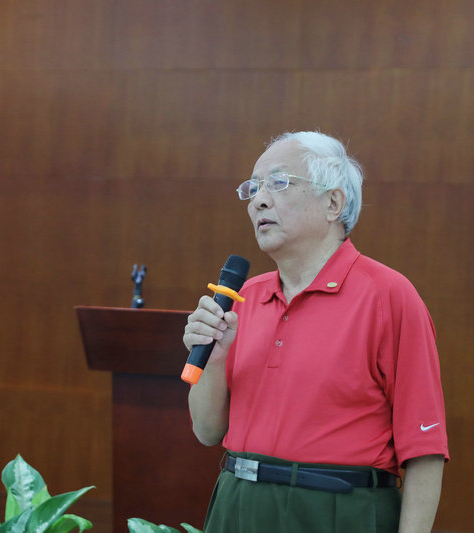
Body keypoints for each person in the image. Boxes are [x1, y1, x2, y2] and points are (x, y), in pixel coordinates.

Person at [184, 131, 448, 533]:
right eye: (253, 187)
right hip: (238, 502)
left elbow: (424, 448)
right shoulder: (243, 298)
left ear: (333, 203)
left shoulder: (388, 296)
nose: (259, 200)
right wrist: (215, 357)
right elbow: (207, 431)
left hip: (338, 509)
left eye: (278, 182)